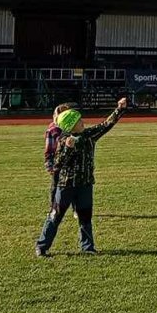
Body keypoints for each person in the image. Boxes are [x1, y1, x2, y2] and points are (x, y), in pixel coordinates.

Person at [36, 97, 128, 257]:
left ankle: (88, 247)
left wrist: (119, 109)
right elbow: (57, 164)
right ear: (71, 124)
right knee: (55, 215)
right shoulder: (63, 141)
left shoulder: (89, 135)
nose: (82, 122)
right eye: (78, 120)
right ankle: (42, 246)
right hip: (66, 185)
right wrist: (67, 149)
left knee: (85, 217)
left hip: (85, 184)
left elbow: (106, 124)